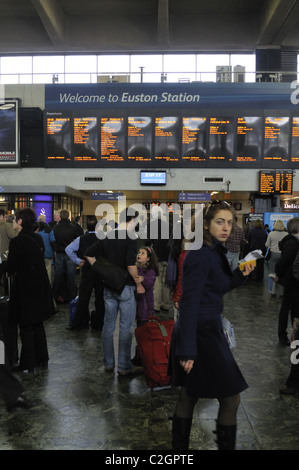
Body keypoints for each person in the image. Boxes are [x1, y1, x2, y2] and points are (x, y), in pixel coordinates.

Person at [168, 201, 255, 450]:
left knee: (189, 393)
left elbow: (219, 287)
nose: (226, 227)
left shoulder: (213, 250)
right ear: (206, 225)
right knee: (230, 398)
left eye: (230, 222)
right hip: (200, 333)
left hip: (206, 330)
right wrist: (187, 349)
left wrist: (240, 275)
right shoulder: (200, 253)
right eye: (220, 221)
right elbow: (188, 303)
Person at [85, 208, 142, 376]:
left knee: (108, 326)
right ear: (131, 220)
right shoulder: (131, 238)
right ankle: (124, 366)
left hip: (109, 287)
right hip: (126, 286)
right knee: (125, 327)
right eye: (137, 221)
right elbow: (131, 265)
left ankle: (108, 363)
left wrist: (102, 270)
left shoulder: (108, 235)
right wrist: (138, 280)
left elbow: (88, 254)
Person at [5, 208, 54, 373]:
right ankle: (43, 359)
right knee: (38, 323)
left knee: (25, 325)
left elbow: (12, 266)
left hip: (25, 287)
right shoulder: (38, 238)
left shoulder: (18, 241)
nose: (12, 223)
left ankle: (29, 363)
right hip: (40, 285)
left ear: (19, 221)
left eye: (14, 220)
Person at [65, 215, 105, 331]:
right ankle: (99, 324)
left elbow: (68, 249)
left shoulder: (81, 239)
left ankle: (77, 324)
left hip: (87, 271)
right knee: (100, 299)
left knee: (83, 298)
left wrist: (78, 261)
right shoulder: (104, 239)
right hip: (100, 272)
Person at [275, 217, 299, 346]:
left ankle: (295, 335)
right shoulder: (292, 243)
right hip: (291, 281)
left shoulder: (293, 242)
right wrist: (279, 275)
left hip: (293, 281)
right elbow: (282, 263)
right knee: (287, 308)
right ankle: (282, 335)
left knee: (295, 309)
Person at [146, 206, 172, 312]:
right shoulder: (170, 226)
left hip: (156, 257)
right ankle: (165, 304)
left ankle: (156, 305)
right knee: (166, 282)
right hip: (168, 257)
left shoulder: (150, 225)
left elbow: (147, 241)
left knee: (156, 282)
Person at [52, 209, 78, 304]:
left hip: (59, 253)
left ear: (60, 216)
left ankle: (55, 295)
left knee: (58, 276)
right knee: (71, 277)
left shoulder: (55, 228)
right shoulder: (72, 227)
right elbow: (77, 240)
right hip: (70, 254)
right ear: (68, 216)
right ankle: (72, 297)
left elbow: (53, 240)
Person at [135, 246, 159, 327]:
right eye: (139, 252)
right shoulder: (136, 268)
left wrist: (143, 279)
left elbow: (149, 283)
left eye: (143, 253)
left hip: (146, 307)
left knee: (144, 327)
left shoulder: (150, 271)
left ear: (148, 259)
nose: (139, 254)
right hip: (138, 305)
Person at [265, 219, 287, 298]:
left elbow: (267, 245)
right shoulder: (286, 234)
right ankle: (281, 293)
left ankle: (272, 292)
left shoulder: (271, 234)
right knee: (282, 274)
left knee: (272, 274)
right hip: (283, 256)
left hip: (273, 255)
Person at [0, 209, 18, 295]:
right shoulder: (5, 225)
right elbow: (13, 236)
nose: (5, 218)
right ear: (1, 216)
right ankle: (7, 295)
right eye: (5, 216)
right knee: (6, 275)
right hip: (4, 254)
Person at [36, 214, 56, 284]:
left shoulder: (35, 229)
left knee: (38, 271)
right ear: (45, 220)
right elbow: (52, 241)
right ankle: (48, 286)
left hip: (38, 254)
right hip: (48, 253)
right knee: (48, 270)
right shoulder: (49, 229)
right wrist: (54, 251)